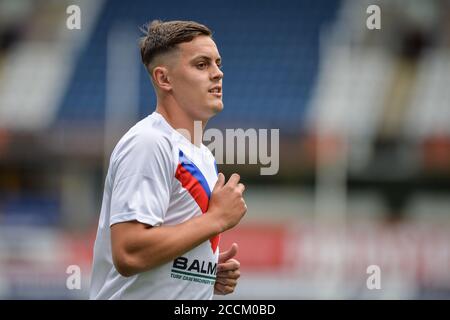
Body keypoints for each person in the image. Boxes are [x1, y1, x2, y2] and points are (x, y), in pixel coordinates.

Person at [89, 20, 247, 299]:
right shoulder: (149, 143)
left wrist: (203, 270)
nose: (218, 73)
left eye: (217, 63)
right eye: (202, 65)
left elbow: (165, 239)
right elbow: (129, 252)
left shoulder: (203, 156)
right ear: (164, 79)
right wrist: (217, 219)